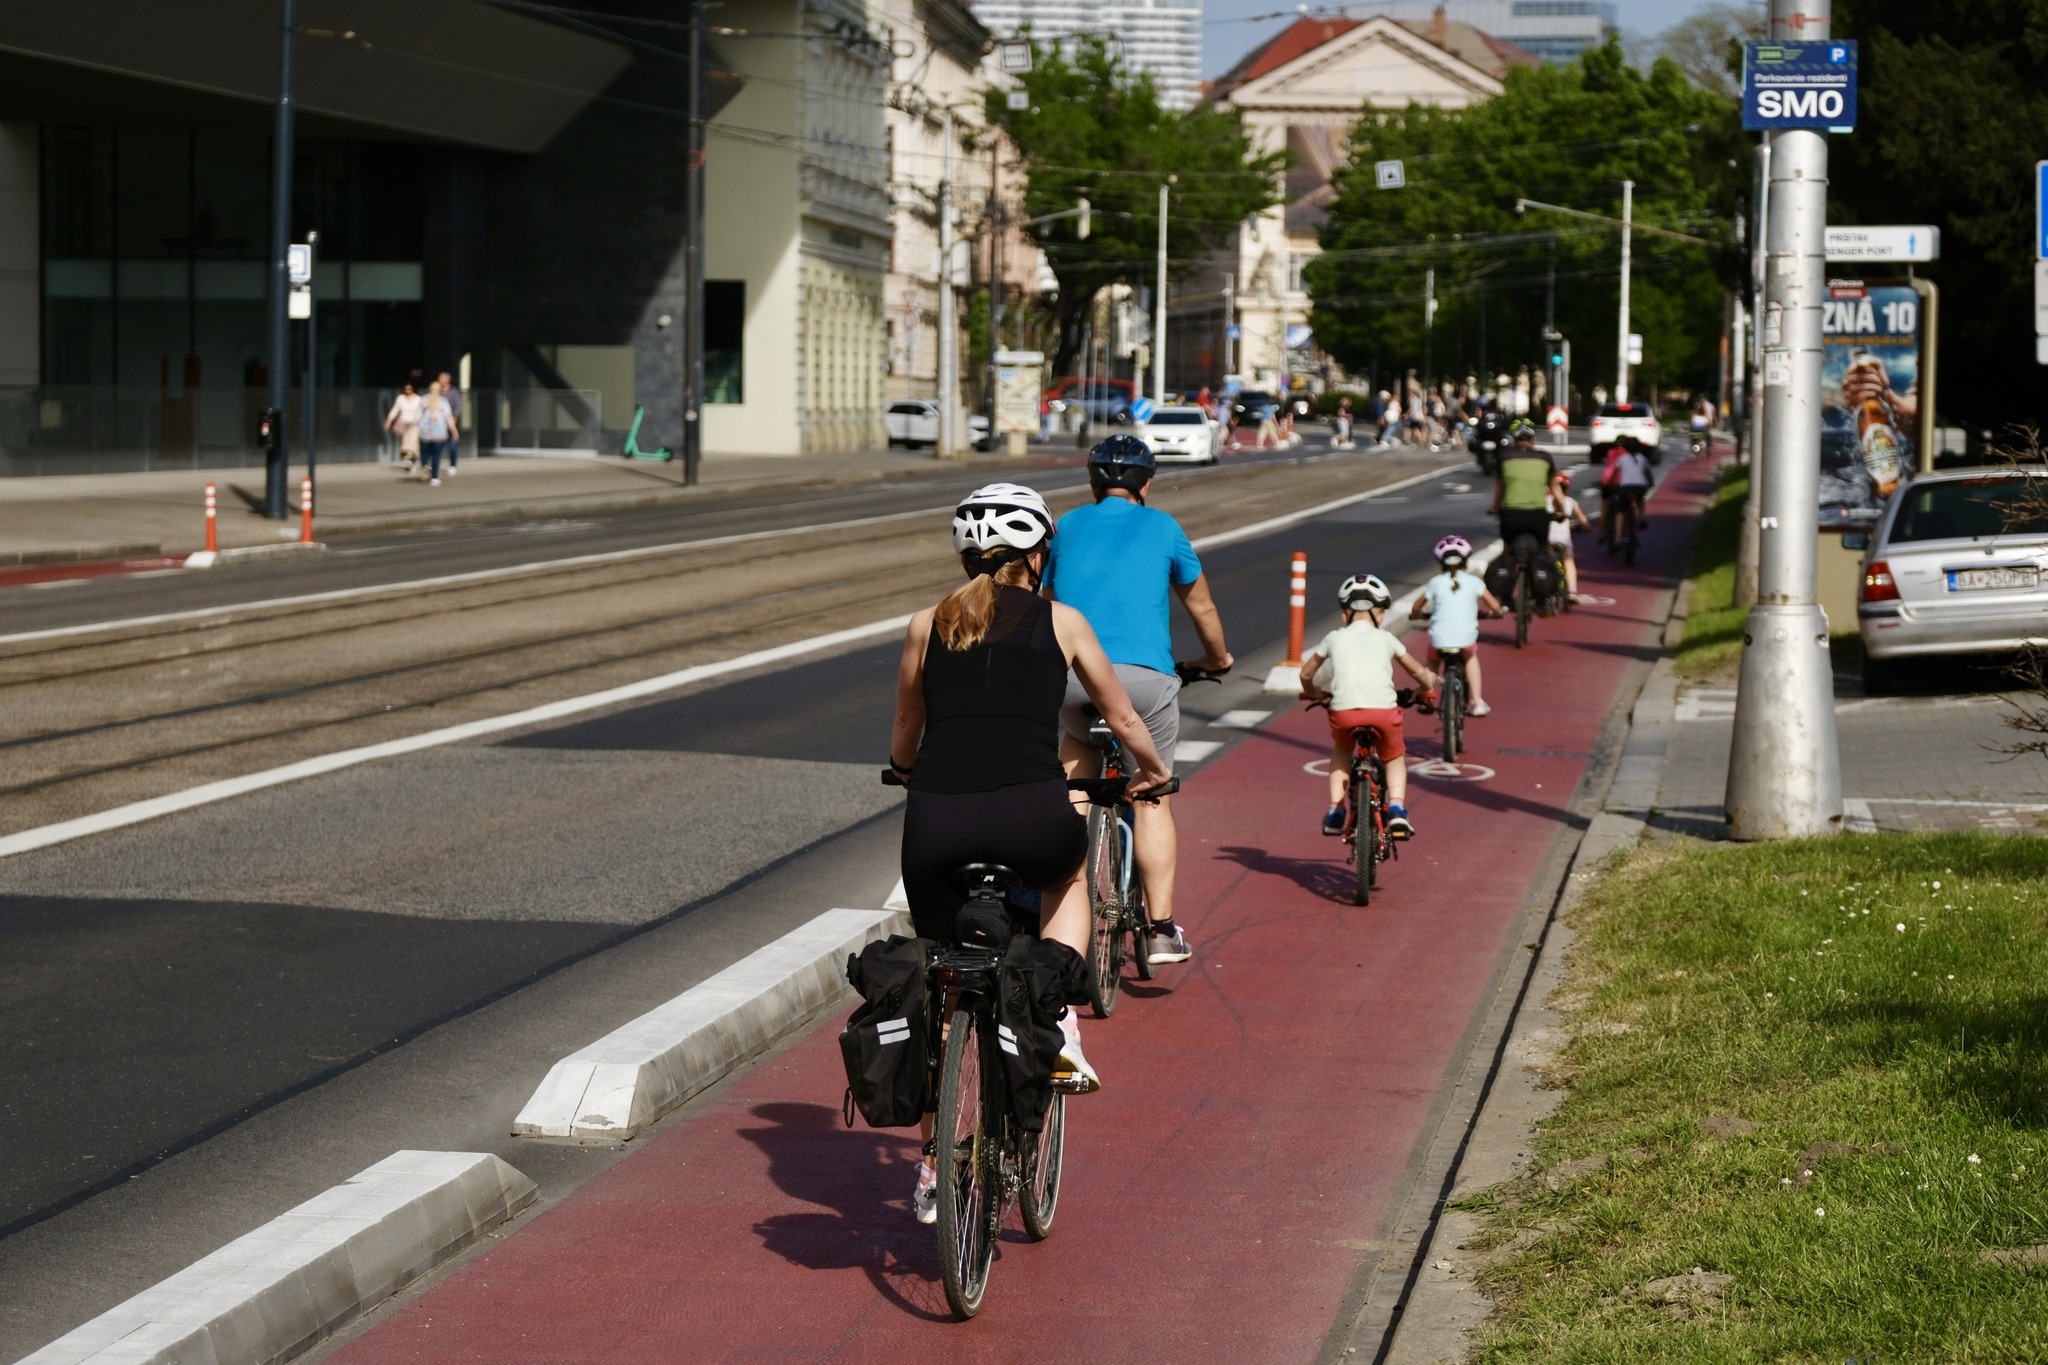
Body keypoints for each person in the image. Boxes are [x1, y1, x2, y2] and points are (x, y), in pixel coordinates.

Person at [891, 483, 1172, 1223]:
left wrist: (910, 770)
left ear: (964, 554)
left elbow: (904, 734)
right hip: (1030, 814)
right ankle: (1060, 1019)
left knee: (944, 987)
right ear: (1039, 554)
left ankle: (931, 1167)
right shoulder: (1062, 619)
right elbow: (1118, 712)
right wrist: (1152, 772)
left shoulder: (926, 623)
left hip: (937, 824)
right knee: (1068, 877)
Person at [1044, 434, 1232, 967]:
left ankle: (1058, 899)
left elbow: (1047, 603)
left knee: (1072, 776)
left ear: (1092, 482)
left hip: (1074, 678)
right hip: (1143, 683)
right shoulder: (1165, 527)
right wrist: (1216, 661)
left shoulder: (1067, 526)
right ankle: (1161, 930)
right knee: (1151, 794)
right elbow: (1204, 609)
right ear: (1146, 484)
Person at [1301, 574, 1437, 840]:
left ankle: (1335, 810)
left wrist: (1313, 693)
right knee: (1394, 757)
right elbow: (1419, 672)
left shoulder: (1333, 637)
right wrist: (1426, 689)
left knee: (1342, 749)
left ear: (1344, 616)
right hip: (1384, 712)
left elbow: (1306, 675)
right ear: (1381, 614)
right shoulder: (1387, 639)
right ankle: (1396, 808)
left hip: (1344, 712)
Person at [1409, 536, 1501, 717]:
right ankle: (1477, 701)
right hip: (1465, 640)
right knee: (1470, 658)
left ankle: (1427, 697)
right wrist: (1495, 614)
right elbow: (1495, 607)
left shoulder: (1435, 583)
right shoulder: (1475, 582)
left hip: (1439, 641)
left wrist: (1415, 615)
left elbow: (1416, 607)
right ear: (1466, 560)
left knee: (1433, 662)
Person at [1488, 420, 1556, 556]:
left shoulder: (1504, 456)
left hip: (1512, 514)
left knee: (1507, 550)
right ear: (1533, 440)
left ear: (1514, 440)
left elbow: (1500, 489)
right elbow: (1555, 489)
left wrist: (1495, 508)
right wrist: (1562, 510)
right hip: (1538, 514)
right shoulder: (1545, 457)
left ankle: (1508, 571)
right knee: (1544, 550)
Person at [1600, 436, 1654, 550]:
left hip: (1625, 488)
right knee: (1640, 500)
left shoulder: (1622, 458)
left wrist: (1611, 483)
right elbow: (1648, 474)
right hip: (1640, 487)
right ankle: (1642, 519)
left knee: (1621, 512)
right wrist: (1650, 483)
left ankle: (1617, 539)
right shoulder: (1643, 458)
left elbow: (1615, 473)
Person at [1547, 470, 1592, 599]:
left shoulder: (1545, 500)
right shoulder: (1570, 501)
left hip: (1547, 538)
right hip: (1564, 538)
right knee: (1568, 561)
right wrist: (1584, 527)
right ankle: (1572, 592)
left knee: (1545, 561)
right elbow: (1584, 522)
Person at [415, 379, 459, 486]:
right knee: (436, 455)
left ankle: (425, 464)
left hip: (425, 431)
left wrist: (418, 427)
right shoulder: (443, 402)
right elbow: (449, 418)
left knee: (425, 452)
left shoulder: (424, 400)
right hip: (439, 432)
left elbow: (417, 417)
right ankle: (435, 478)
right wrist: (454, 431)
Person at [384, 381, 422, 472]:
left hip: (414, 423)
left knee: (413, 442)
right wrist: (388, 421)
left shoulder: (418, 399)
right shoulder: (400, 398)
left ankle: (412, 460)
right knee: (406, 443)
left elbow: (421, 411)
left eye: (410, 388)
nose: (408, 390)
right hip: (403, 423)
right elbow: (395, 410)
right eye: (406, 388)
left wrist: (418, 421)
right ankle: (409, 460)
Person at [436, 370, 464, 475]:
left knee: (452, 446)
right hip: (439, 423)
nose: (439, 380)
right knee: (437, 446)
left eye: (441, 378)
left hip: (452, 422)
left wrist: (453, 423)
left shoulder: (454, 392)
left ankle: (453, 465)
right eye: (439, 378)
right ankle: (435, 465)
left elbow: (457, 409)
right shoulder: (437, 392)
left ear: (447, 380)